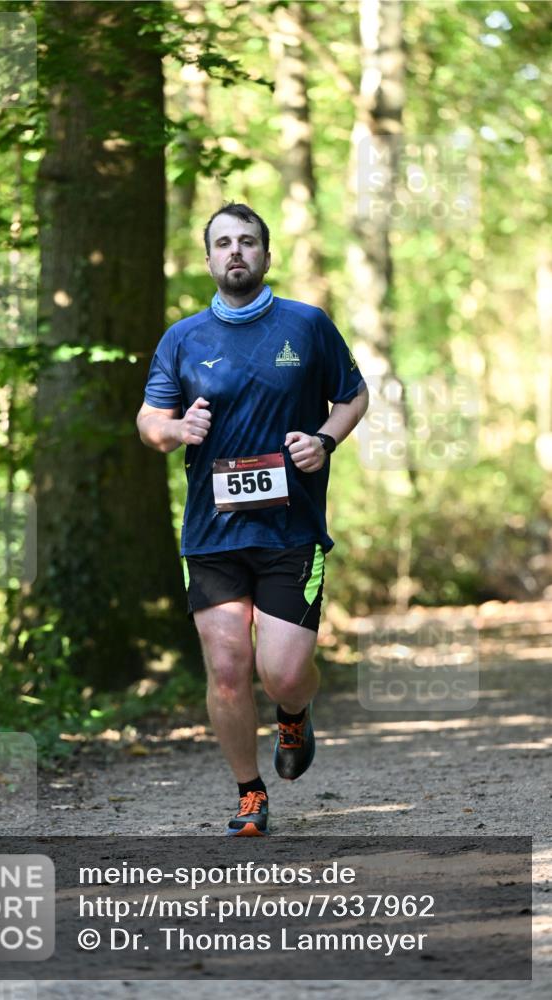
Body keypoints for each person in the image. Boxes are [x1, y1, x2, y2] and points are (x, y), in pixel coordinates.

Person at [136, 202, 368, 836]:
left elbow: (353, 395)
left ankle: (293, 713)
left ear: (266, 255)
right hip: (213, 533)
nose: (235, 251)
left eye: (246, 241)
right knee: (227, 669)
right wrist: (176, 429)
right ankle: (249, 793)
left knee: (283, 673)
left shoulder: (307, 324)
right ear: (208, 258)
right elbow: (149, 421)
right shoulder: (183, 338)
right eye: (223, 243)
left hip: (291, 530)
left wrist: (324, 440)